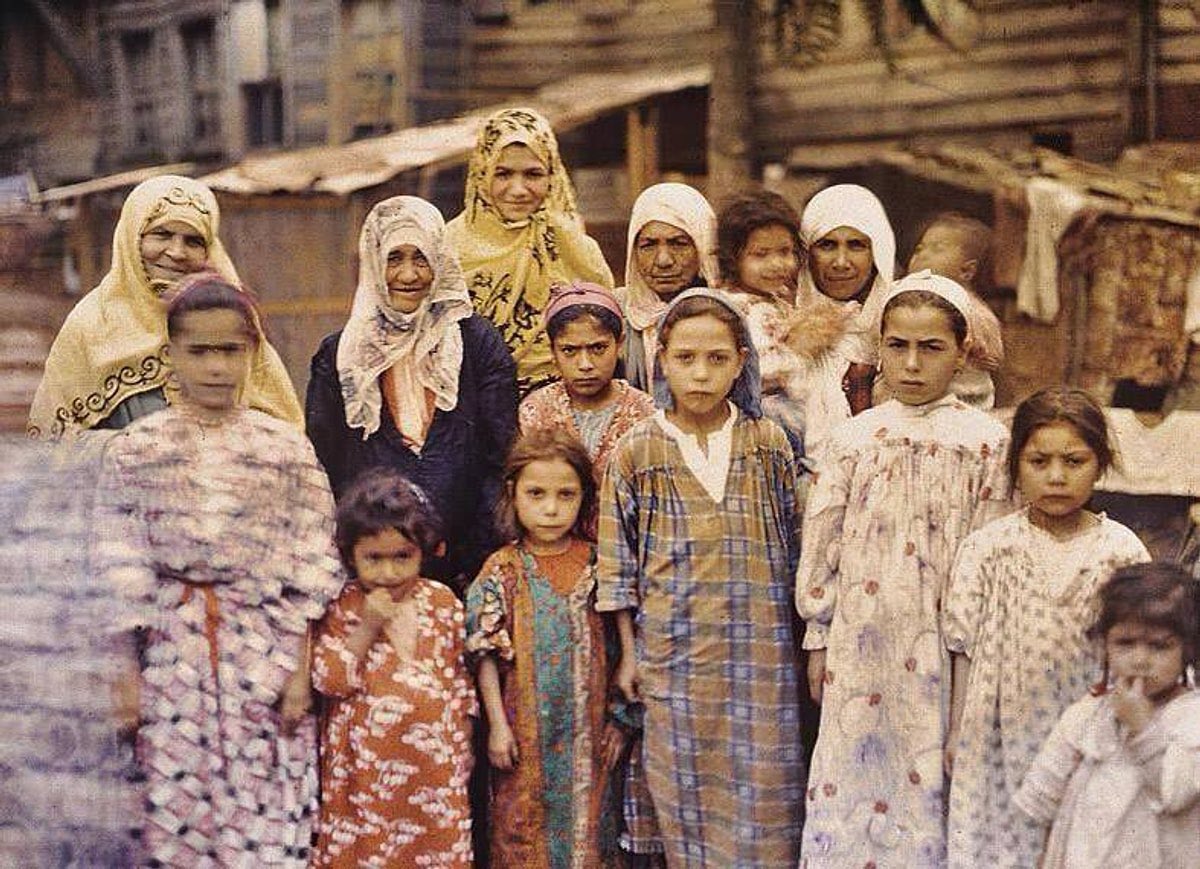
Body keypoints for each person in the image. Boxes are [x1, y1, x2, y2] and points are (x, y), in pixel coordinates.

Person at [91, 275, 344, 866]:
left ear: (252, 353)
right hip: (171, 657)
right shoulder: (137, 449)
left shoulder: (284, 448)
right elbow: (117, 557)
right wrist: (126, 677)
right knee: (176, 819)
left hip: (263, 649)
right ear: (171, 355)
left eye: (229, 350)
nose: (214, 367)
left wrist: (299, 670)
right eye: (198, 351)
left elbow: (308, 560)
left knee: (268, 815)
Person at [796, 272, 1011, 868]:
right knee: (853, 764)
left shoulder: (985, 443)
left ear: (961, 352)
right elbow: (824, 541)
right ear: (880, 349)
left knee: (937, 765)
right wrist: (818, 634)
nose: (913, 364)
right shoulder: (854, 439)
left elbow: (992, 549)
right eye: (898, 347)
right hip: (861, 643)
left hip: (948, 647)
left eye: (931, 347)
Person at [598, 288, 806, 867]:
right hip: (675, 647)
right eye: (685, 358)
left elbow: (789, 542)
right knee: (684, 787)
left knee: (763, 790)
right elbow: (618, 563)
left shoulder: (767, 441)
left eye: (717, 358)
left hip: (759, 650)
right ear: (661, 357)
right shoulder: (638, 449)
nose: (701, 374)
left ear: (742, 361)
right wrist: (630, 653)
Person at [943, 387, 1150, 868]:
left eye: (1074, 461)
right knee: (1001, 838)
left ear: (1099, 464)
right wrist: (958, 729)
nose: (1056, 477)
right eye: (1039, 461)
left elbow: (1143, 648)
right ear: (1016, 464)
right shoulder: (990, 547)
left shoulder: (1120, 550)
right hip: (996, 728)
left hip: (1091, 727)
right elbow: (964, 645)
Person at [306, 195, 517, 591]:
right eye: (394, 258)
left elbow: (500, 457)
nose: (408, 274)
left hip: (467, 566)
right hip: (375, 568)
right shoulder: (339, 356)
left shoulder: (476, 344)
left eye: (421, 258)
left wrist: (473, 555)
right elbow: (326, 466)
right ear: (374, 262)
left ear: (440, 260)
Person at [28, 174, 301, 439]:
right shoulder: (92, 323)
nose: (177, 252)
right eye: (162, 234)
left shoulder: (230, 317)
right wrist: (129, 449)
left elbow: (284, 427)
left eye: (193, 241)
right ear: (133, 238)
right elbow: (52, 443)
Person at [466, 429, 628, 867]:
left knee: (591, 832)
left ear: (584, 498)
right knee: (520, 831)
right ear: (512, 494)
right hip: (522, 737)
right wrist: (497, 726)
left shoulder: (601, 565)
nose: (551, 508)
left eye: (566, 495)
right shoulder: (504, 569)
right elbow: (483, 651)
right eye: (536, 493)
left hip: (589, 736)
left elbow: (626, 648)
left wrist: (621, 720)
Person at [312, 469, 475, 867]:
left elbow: (460, 683)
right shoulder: (343, 606)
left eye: (402, 557)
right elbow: (328, 678)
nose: (389, 572)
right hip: (365, 772)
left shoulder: (442, 603)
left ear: (423, 550)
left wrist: (462, 744)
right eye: (374, 559)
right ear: (351, 555)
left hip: (433, 770)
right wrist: (367, 626)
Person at [1014, 562, 1200, 868]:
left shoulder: (1191, 718)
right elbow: (1043, 799)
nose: (1140, 660)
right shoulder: (1087, 714)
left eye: (1159, 647)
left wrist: (1141, 728)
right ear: (1105, 645)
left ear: (1188, 649)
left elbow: (1176, 794)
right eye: (1125, 643)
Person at [446, 107, 614, 395]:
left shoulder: (573, 245)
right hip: (472, 403)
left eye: (533, 174)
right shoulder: (449, 246)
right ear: (481, 173)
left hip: (566, 405)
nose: (519, 189)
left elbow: (605, 331)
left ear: (552, 176)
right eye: (503, 174)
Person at [789, 183, 896, 466]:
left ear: (877, 253)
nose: (841, 262)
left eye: (856, 245)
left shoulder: (901, 324)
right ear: (806, 252)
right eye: (826, 245)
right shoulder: (778, 324)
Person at [519, 281, 656, 488]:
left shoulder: (645, 412)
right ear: (552, 351)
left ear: (619, 344)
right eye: (569, 350)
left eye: (598, 348)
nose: (585, 365)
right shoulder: (536, 411)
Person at [716, 191, 808, 460]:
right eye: (761, 254)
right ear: (733, 258)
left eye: (785, 252)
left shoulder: (777, 299)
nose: (777, 264)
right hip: (763, 418)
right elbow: (772, 370)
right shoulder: (733, 308)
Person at [618, 182, 719, 391]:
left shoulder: (733, 311)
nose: (663, 260)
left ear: (704, 246)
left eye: (679, 243)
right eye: (648, 245)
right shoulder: (615, 313)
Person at [904, 211, 1005, 408]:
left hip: (962, 397)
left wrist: (978, 351)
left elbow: (993, 355)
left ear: (967, 270)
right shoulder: (902, 296)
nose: (922, 256)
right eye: (919, 249)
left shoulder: (974, 309)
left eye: (937, 249)